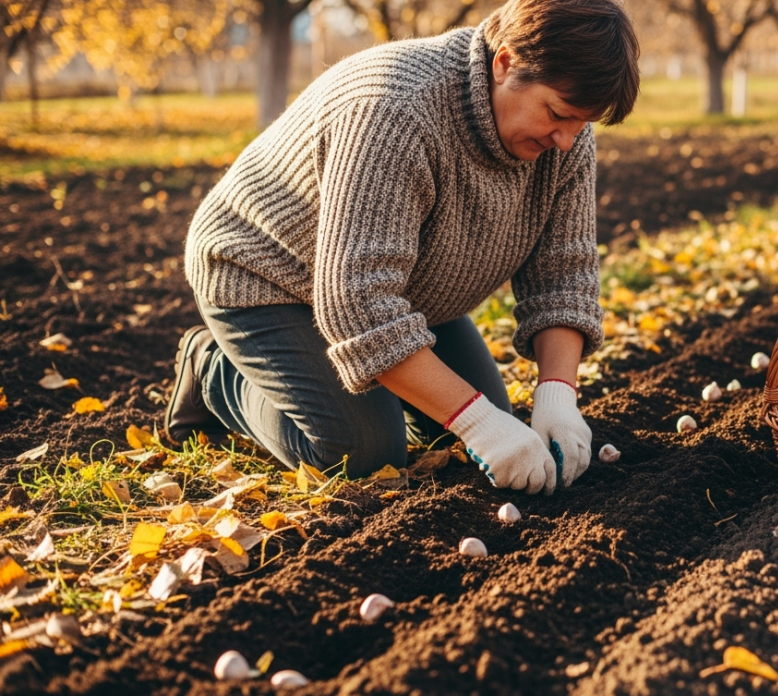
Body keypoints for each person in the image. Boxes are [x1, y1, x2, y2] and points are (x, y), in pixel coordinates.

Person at [166, 0, 639, 495]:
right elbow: (358, 304)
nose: (567, 140)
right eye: (559, 114)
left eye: (583, 122)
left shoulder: (564, 140)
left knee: (484, 420)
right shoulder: (395, 109)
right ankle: (212, 372)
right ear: (505, 63)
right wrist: (479, 424)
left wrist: (558, 396)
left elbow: (564, 274)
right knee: (363, 454)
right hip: (265, 274)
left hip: (404, 288)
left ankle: (370, 385)